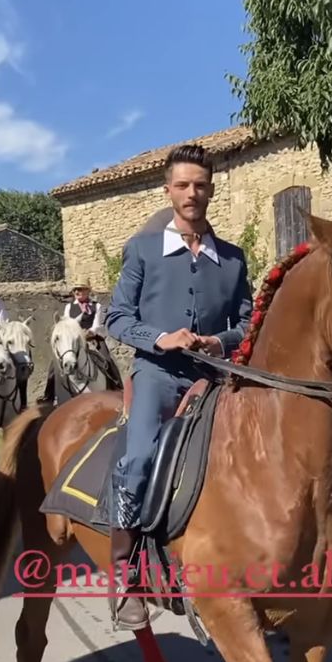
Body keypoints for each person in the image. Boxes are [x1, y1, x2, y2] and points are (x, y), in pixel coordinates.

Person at [104, 141, 253, 628]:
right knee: (141, 459)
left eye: (201, 185)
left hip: (212, 377)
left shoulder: (232, 259)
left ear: (212, 191)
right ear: (168, 190)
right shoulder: (143, 249)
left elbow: (249, 324)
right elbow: (117, 318)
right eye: (184, 185)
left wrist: (220, 341)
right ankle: (125, 575)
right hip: (157, 373)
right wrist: (160, 338)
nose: (193, 193)